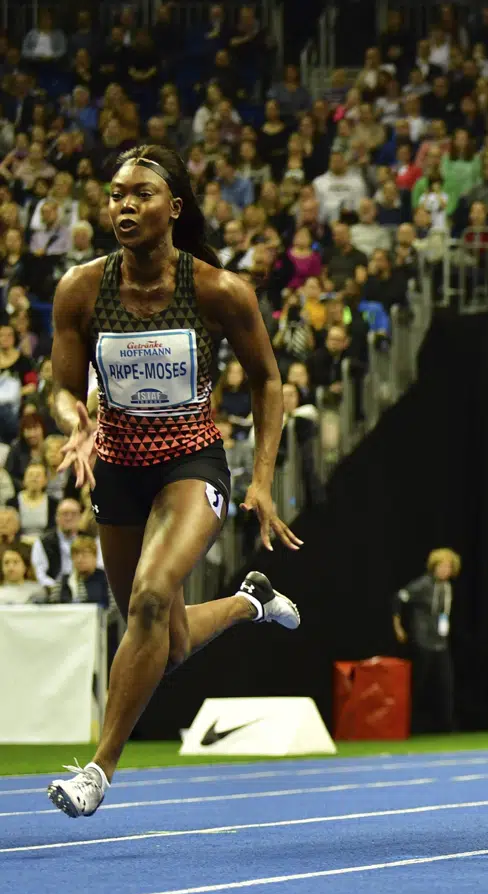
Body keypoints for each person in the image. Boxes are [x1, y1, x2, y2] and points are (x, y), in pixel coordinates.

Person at [45, 145, 303, 819]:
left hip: (191, 463)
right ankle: (252, 602)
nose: (124, 206)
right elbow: (59, 387)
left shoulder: (218, 289)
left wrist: (264, 480)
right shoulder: (82, 288)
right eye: (115, 195)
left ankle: (97, 770)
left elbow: (271, 381)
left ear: (174, 208)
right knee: (170, 638)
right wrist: (70, 417)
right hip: (120, 471)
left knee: (153, 596)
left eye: (140, 195)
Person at [391, 547, 461, 733]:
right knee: (419, 685)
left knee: (445, 685)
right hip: (423, 642)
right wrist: (398, 626)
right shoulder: (423, 585)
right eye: (442, 566)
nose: (445, 570)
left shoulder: (447, 588)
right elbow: (399, 598)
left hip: (441, 643)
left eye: (449, 567)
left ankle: (446, 726)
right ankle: (410, 726)